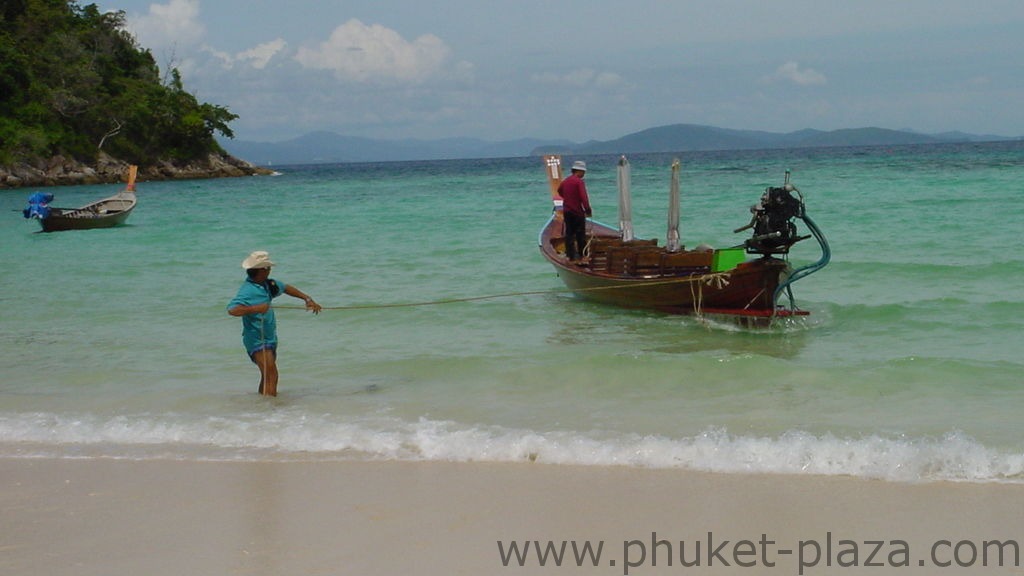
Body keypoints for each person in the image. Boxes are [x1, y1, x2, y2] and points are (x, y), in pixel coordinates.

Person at [227, 250, 322, 396]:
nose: (270, 270)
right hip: (257, 340)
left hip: (270, 339)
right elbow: (232, 310)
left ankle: (263, 408)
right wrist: (256, 308)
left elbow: (285, 287)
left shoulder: (267, 284)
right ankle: (271, 411)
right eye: (268, 268)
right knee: (272, 375)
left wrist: (307, 299)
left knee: (267, 375)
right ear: (262, 270)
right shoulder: (247, 290)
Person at [557, 160, 593, 263]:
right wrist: (588, 210)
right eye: (583, 172)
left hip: (567, 211)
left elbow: (560, 191)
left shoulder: (566, 181)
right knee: (580, 234)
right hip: (577, 212)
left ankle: (570, 256)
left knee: (569, 233)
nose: (584, 174)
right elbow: (584, 198)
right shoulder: (579, 182)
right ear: (579, 171)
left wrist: (568, 198)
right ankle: (582, 256)